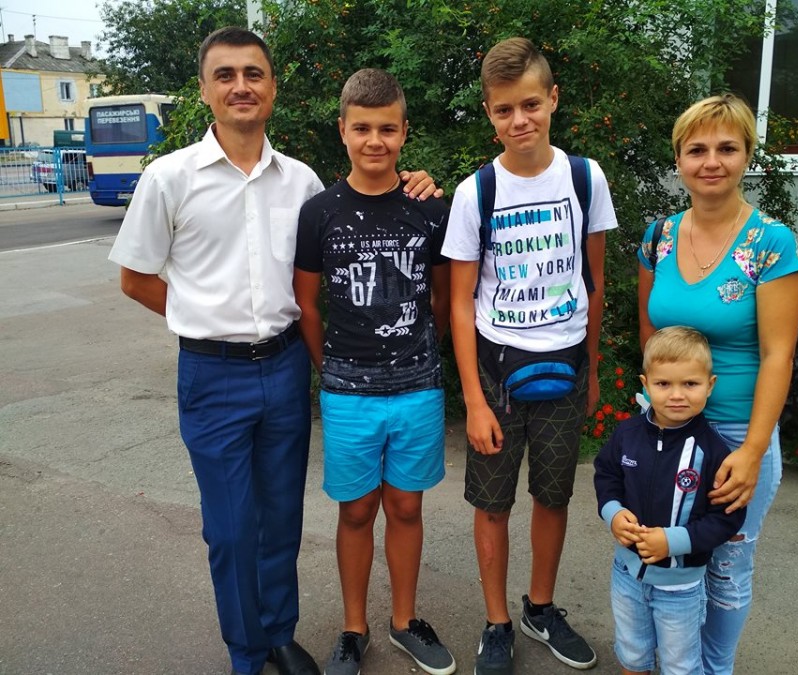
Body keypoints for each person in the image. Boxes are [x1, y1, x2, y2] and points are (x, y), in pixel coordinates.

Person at [107, 27, 437, 675]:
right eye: (225, 75)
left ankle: (280, 633)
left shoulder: (302, 182)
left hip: (285, 366)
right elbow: (135, 277)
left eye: (253, 73)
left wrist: (415, 183)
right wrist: (201, 317)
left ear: (273, 88)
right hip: (212, 373)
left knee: (283, 516)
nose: (241, 86)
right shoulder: (169, 178)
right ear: (205, 89)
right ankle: (246, 651)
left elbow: (349, 228)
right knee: (232, 528)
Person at [441, 37, 618, 675]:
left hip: (565, 366)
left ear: (553, 99)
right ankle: (496, 623)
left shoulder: (585, 178)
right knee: (492, 503)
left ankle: (540, 608)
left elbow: (594, 283)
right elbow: (460, 303)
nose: (520, 121)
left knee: (553, 496)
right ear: (490, 114)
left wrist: (592, 371)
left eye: (531, 105)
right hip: (497, 371)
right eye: (504, 110)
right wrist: (473, 399)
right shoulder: (476, 193)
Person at [293, 68, 456, 675]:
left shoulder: (430, 209)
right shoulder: (319, 213)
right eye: (362, 128)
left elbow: (444, 299)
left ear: (404, 131)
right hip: (348, 394)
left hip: (417, 389)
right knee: (357, 511)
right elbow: (307, 304)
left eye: (387, 129)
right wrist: (330, 370)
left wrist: (422, 356)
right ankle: (353, 627)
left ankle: (405, 620)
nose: (375, 141)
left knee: (407, 508)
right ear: (342, 130)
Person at [636, 93, 798, 674]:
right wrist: (652, 414)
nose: (711, 161)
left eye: (727, 148)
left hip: (735, 433)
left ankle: (715, 668)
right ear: (678, 159)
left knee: (727, 567)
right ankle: (673, 661)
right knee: (668, 556)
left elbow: (779, 354)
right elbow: (651, 337)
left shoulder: (770, 243)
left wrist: (754, 450)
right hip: (668, 429)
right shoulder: (658, 237)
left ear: (747, 155)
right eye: (697, 149)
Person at [594, 326, 746, 675]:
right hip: (626, 575)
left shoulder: (714, 452)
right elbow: (607, 476)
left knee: (680, 665)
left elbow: (727, 518)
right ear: (645, 384)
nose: (677, 395)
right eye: (663, 384)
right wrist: (613, 513)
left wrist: (672, 541)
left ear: (710, 385)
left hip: (682, 587)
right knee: (631, 655)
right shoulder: (626, 434)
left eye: (690, 384)